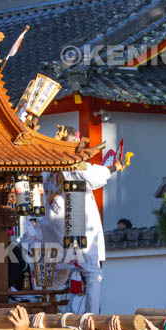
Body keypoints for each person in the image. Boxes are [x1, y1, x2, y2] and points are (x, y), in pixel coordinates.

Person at [34, 127, 125, 314]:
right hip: (74, 219)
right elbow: (96, 176)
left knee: (58, 274)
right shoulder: (75, 162)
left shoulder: (48, 169)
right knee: (92, 273)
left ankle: (45, 313)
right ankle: (92, 318)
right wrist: (116, 167)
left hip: (51, 226)